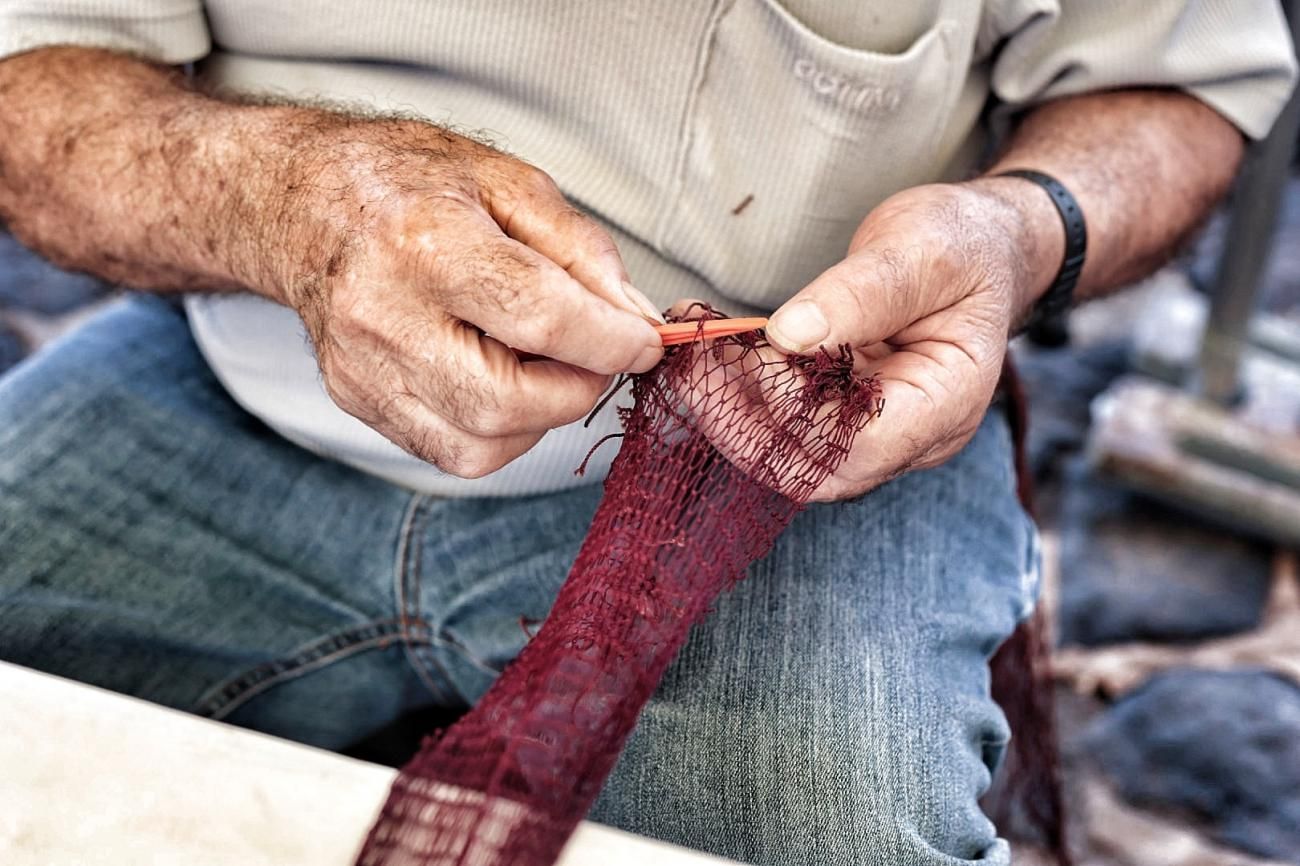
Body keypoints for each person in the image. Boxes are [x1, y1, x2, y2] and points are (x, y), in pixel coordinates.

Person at [0, 2, 1294, 864]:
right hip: (232, 360)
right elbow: (35, 71)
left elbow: (1168, 81)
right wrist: (285, 206)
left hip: (811, 448)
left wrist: (1016, 235)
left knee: (835, 825)